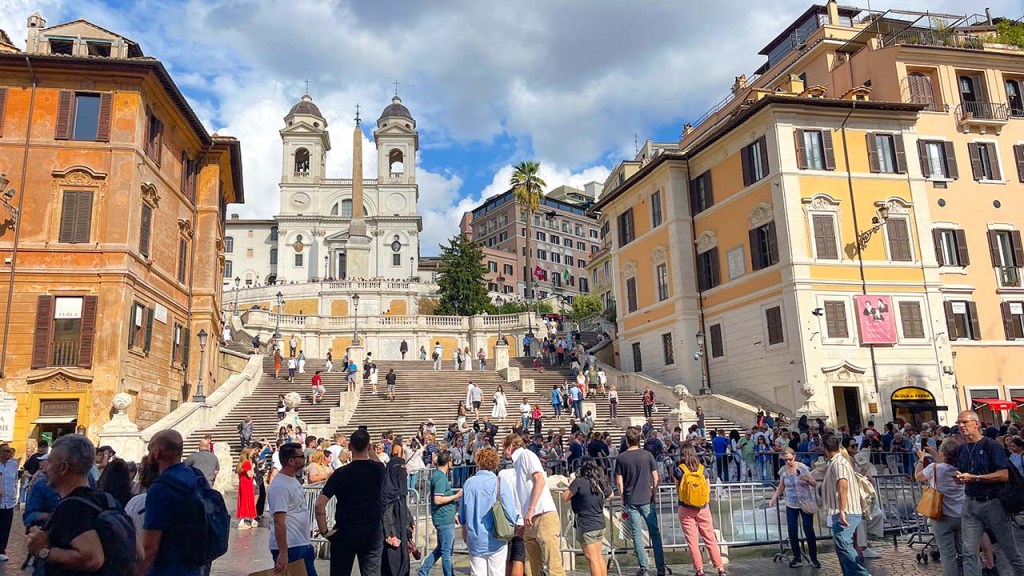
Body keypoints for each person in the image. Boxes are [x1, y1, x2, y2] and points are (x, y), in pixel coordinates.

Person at [26, 435, 142, 575]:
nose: (44, 470)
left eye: (50, 463)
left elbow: (92, 559)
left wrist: (43, 551)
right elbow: (139, 553)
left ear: (63, 468)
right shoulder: (108, 500)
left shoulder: (71, 507)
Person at [138, 429, 221, 576]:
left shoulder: (160, 488)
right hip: (194, 566)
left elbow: (150, 547)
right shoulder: (196, 475)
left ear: (156, 453)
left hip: (166, 568)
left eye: (150, 449)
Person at [953, 410, 1024, 575]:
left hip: (992, 503)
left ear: (976, 424)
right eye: (959, 423)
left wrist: (976, 477)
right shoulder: (962, 449)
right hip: (970, 502)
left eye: (965, 422)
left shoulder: (991, 445)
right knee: (969, 551)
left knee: (1009, 549)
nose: (961, 426)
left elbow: (1004, 474)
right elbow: (964, 471)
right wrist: (959, 478)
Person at [316, 429, 385, 576]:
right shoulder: (378, 470)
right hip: (371, 530)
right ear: (369, 446)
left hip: (345, 530)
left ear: (349, 447)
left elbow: (319, 504)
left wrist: (325, 531)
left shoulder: (340, 473)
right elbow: (378, 463)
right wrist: (369, 449)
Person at [503, 434, 566, 576]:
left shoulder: (526, 455)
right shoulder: (517, 463)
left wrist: (530, 509)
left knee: (553, 565)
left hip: (543, 515)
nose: (502, 451)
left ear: (510, 447)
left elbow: (539, 480)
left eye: (504, 447)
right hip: (530, 519)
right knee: (530, 568)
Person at [615, 427, 666, 576]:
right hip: (647, 498)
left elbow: (619, 482)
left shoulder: (622, 457)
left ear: (626, 440)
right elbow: (656, 478)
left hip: (631, 499)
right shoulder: (648, 455)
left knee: (637, 534)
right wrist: (654, 495)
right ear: (640, 439)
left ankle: (644, 568)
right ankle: (660, 567)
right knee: (655, 533)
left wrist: (623, 497)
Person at [459, 447, 517, 576]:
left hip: (475, 539)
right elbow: (510, 513)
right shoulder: (499, 483)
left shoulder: (469, 483)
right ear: (495, 463)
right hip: (497, 538)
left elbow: (463, 514)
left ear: (478, 462)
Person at [673, 442, 726, 576]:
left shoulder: (679, 470)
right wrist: (704, 501)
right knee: (710, 538)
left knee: (692, 541)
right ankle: (720, 568)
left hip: (685, 508)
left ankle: (699, 569)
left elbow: (678, 490)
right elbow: (708, 488)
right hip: (703, 508)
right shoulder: (702, 469)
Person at [913, 439, 963, 576]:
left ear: (943, 453)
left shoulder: (934, 468)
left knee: (948, 555)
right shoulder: (962, 468)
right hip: (960, 514)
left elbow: (917, 476)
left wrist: (921, 459)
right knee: (966, 553)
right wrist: (936, 454)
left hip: (941, 515)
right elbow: (946, 463)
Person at [821, 435, 868, 576]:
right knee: (842, 545)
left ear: (824, 448)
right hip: (841, 510)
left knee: (844, 544)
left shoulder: (839, 463)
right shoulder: (835, 462)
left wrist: (842, 510)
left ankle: (862, 574)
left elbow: (843, 487)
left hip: (846, 510)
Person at [269, 442, 318, 576]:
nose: (304, 458)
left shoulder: (292, 480)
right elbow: (279, 521)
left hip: (301, 543)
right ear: (291, 461)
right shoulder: (280, 486)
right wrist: (283, 553)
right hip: (291, 547)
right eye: (301, 456)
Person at [769, 447, 819, 568]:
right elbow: (781, 486)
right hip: (791, 503)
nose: (788, 462)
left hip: (804, 502)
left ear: (794, 456)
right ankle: (797, 558)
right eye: (785, 460)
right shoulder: (783, 471)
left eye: (790, 459)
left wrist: (807, 479)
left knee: (808, 529)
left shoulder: (802, 468)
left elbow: (814, 483)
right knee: (792, 529)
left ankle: (814, 558)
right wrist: (773, 497)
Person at [561, 457, 609, 576]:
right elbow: (611, 494)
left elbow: (564, 497)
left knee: (592, 558)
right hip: (599, 522)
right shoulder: (599, 481)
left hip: (586, 524)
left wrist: (571, 483)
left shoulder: (579, 482)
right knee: (598, 556)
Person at [418, 450, 461, 576]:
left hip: (445, 517)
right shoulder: (440, 478)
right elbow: (438, 499)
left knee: (440, 550)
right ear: (448, 462)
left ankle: (423, 571)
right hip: (443, 520)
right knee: (446, 551)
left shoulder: (438, 476)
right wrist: (456, 496)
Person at [381, 444, 413, 576]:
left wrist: (410, 521)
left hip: (402, 533)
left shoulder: (400, 491)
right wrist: (391, 534)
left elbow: (403, 507)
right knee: (392, 566)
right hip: (393, 536)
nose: (403, 472)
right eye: (400, 469)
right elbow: (386, 513)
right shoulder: (387, 492)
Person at [0, 443, 18, 561]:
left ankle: (1, 550)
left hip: (9, 501)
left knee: (6, 526)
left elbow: (15, 480)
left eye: (10, 451)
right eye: (6, 451)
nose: (9, 453)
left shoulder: (14, 465)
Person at [235, 446, 257, 530]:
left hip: (243, 483)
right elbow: (249, 474)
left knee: (245, 500)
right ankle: (242, 521)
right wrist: (252, 467)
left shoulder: (241, 462)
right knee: (247, 500)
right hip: (247, 484)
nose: (253, 453)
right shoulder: (247, 463)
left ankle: (252, 519)